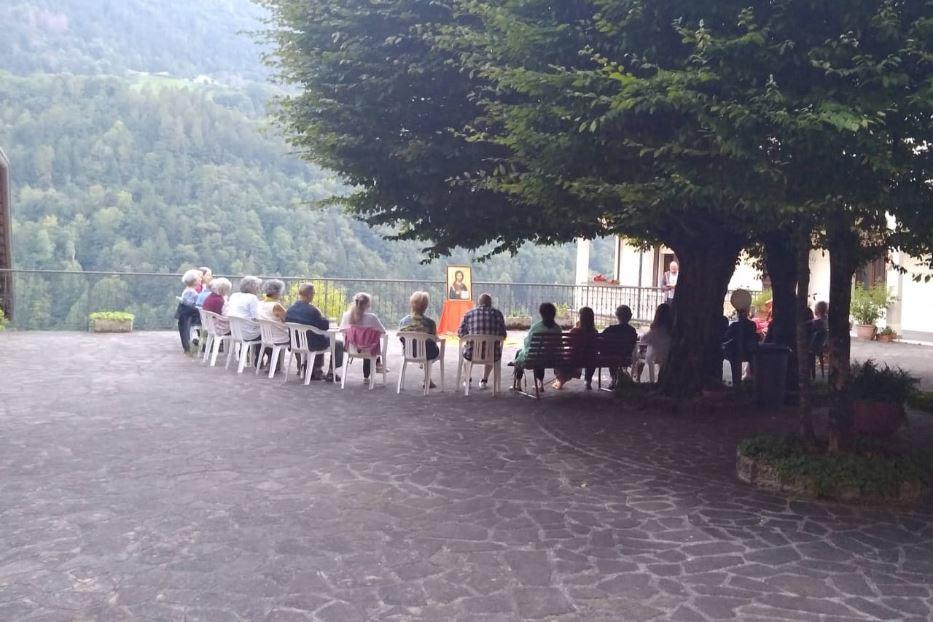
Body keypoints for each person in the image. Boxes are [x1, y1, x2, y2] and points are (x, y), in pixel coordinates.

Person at [285, 282, 342, 381]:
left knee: (319, 337)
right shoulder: (312, 311)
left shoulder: (290, 310)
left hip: (295, 343)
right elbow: (324, 326)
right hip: (312, 344)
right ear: (309, 294)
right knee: (337, 343)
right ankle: (331, 372)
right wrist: (321, 315)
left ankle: (315, 369)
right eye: (313, 293)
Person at [457, 293, 507, 389]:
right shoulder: (498, 314)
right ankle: (484, 380)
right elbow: (503, 335)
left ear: (478, 303)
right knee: (492, 350)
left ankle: (468, 380)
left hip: (471, 353)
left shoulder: (469, 314)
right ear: (490, 303)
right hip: (492, 354)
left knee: (466, 351)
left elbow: (461, 334)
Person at [511, 302, 562, 393]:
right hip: (553, 359)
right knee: (542, 354)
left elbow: (528, 344)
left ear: (541, 313)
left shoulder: (536, 327)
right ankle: (540, 383)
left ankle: (518, 383)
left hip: (537, 358)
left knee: (523, 353)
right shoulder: (558, 328)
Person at [340, 292, 387, 382]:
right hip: (369, 349)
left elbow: (342, 330)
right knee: (369, 341)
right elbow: (383, 331)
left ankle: (374, 366)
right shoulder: (372, 317)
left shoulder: (346, 315)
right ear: (367, 305)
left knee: (364, 341)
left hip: (351, 348)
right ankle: (370, 373)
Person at [552, 306, 598, 390]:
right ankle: (588, 381)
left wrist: (575, 328)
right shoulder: (595, 332)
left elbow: (566, 343)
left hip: (575, 358)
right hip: (590, 359)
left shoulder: (575, 331)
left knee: (559, 358)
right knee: (590, 357)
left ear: (581, 317)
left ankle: (561, 379)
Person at [601, 305, 639, 390]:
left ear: (617, 315)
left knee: (612, 354)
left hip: (609, 357)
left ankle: (614, 378)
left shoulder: (611, 329)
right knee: (616, 355)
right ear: (630, 316)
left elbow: (600, 340)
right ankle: (618, 378)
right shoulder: (632, 331)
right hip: (625, 357)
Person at [722, 305, 759, 385]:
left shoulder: (734, 326)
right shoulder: (752, 325)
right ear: (747, 313)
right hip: (749, 352)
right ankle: (751, 382)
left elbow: (726, 338)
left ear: (737, 313)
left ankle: (737, 384)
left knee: (734, 360)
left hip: (735, 353)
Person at [637, 303, 673, 381]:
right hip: (669, 355)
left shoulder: (655, 329)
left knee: (641, 353)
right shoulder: (672, 330)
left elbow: (644, 339)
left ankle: (638, 377)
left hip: (654, 356)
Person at [256, 279, 290, 355]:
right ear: (277, 292)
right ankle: (301, 364)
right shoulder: (276, 306)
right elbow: (287, 320)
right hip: (278, 337)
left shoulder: (260, 303)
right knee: (296, 338)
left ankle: (273, 361)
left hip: (265, 337)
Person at [225, 276, 262, 342]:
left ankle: (246, 351)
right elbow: (256, 317)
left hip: (234, 331)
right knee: (267, 333)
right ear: (254, 288)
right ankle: (257, 352)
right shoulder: (252, 298)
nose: (259, 289)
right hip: (247, 334)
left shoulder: (234, 295)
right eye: (258, 286)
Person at [176, 268, 203, 354]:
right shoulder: (192, 292)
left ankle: (190, 345)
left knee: (185, 330)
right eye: (199, 278)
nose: (200, 279)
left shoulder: (187, 290)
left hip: (185, 312)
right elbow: (195, 302)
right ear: (194, 281)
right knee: (187, 329)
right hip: (189, 313)